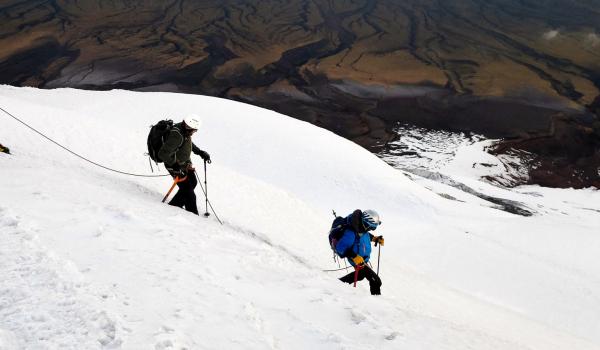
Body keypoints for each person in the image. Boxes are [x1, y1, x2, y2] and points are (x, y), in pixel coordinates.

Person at [158, 114, 211, 215]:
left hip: (184, 164)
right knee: (189, 193)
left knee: (193, 182)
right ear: (189, 128)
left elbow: (187, 143)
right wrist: (174, 165)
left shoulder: (184, 131)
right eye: (194, 130)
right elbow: (163, 153)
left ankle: (175, 204)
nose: (194, 132)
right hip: (175, 166)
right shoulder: (177, 135)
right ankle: (193, 216)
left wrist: (200, 152)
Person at [335, 209, 384, 295]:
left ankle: (337, 283)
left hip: (361, 260)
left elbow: (364, 234)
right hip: (357, 260)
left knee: (361, 275)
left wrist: (375, 239)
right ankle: (377, 303)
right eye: (372, 227)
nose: (372, 229)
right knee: (376, 281)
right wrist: (354, 256)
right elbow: (340, 248)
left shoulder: (360, 227)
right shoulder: (351, 232)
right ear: (366, 223)